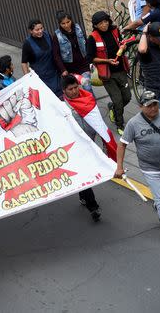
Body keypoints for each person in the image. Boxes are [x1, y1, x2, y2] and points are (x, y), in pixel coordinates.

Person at [115, 90, 160, 245]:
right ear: (141, 106)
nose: (153, 108)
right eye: (149, 105)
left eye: (155, 104)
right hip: (150, 170)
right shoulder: (133, 124)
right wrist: (119, 167)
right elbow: (122, 145)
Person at [62, 74, 118, 221]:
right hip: (75, 149)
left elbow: (98, 122)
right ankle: (93, 207)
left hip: (90, 144)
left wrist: (106, 144)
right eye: (70, 89)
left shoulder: (88, 99)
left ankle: (82, 195)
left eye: (75, 87)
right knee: (85, 174)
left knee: (85, 175)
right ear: (64, 91)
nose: (74, 91)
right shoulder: (62, 108)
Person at [87, 11, 131, 134]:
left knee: (127, 97)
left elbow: (122, 44)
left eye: (106, 21)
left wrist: (124, 47)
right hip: (107, 74)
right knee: (118, 100)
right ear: (95, 25)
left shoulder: (115, 30)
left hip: (120, 70)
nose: (104, 24)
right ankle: (119, 125)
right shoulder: (92, 37)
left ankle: (112, 108)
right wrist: (107, 61)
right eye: (100, 23)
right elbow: (90, 58)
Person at [137, 21, 160, 115]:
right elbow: (142, 49)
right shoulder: (146, 50)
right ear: (150, 37)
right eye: (159, 38)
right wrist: (144, 32)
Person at [21, 19, 65, 97]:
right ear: (31, 31)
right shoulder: (27, 43)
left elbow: (55, 52)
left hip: (54, 74)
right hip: (41, 78)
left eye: (41, 28)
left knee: (61, 98)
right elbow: (24, 62)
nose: (40, 31)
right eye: (37, 30)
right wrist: (28, 78)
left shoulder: (47, 35)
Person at [54, 11, 91, 91]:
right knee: (74, 91)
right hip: (70, 68)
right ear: (59, 24)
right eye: (63, 23)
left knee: (87, 87)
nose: (66, 25)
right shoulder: (57, 35)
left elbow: (86, 43)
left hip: (83, 64)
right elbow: (56, 55)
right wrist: (63, 69)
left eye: (68, 22)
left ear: (71, 20)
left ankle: (93, 103)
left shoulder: (78, 28)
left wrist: (91, 60)